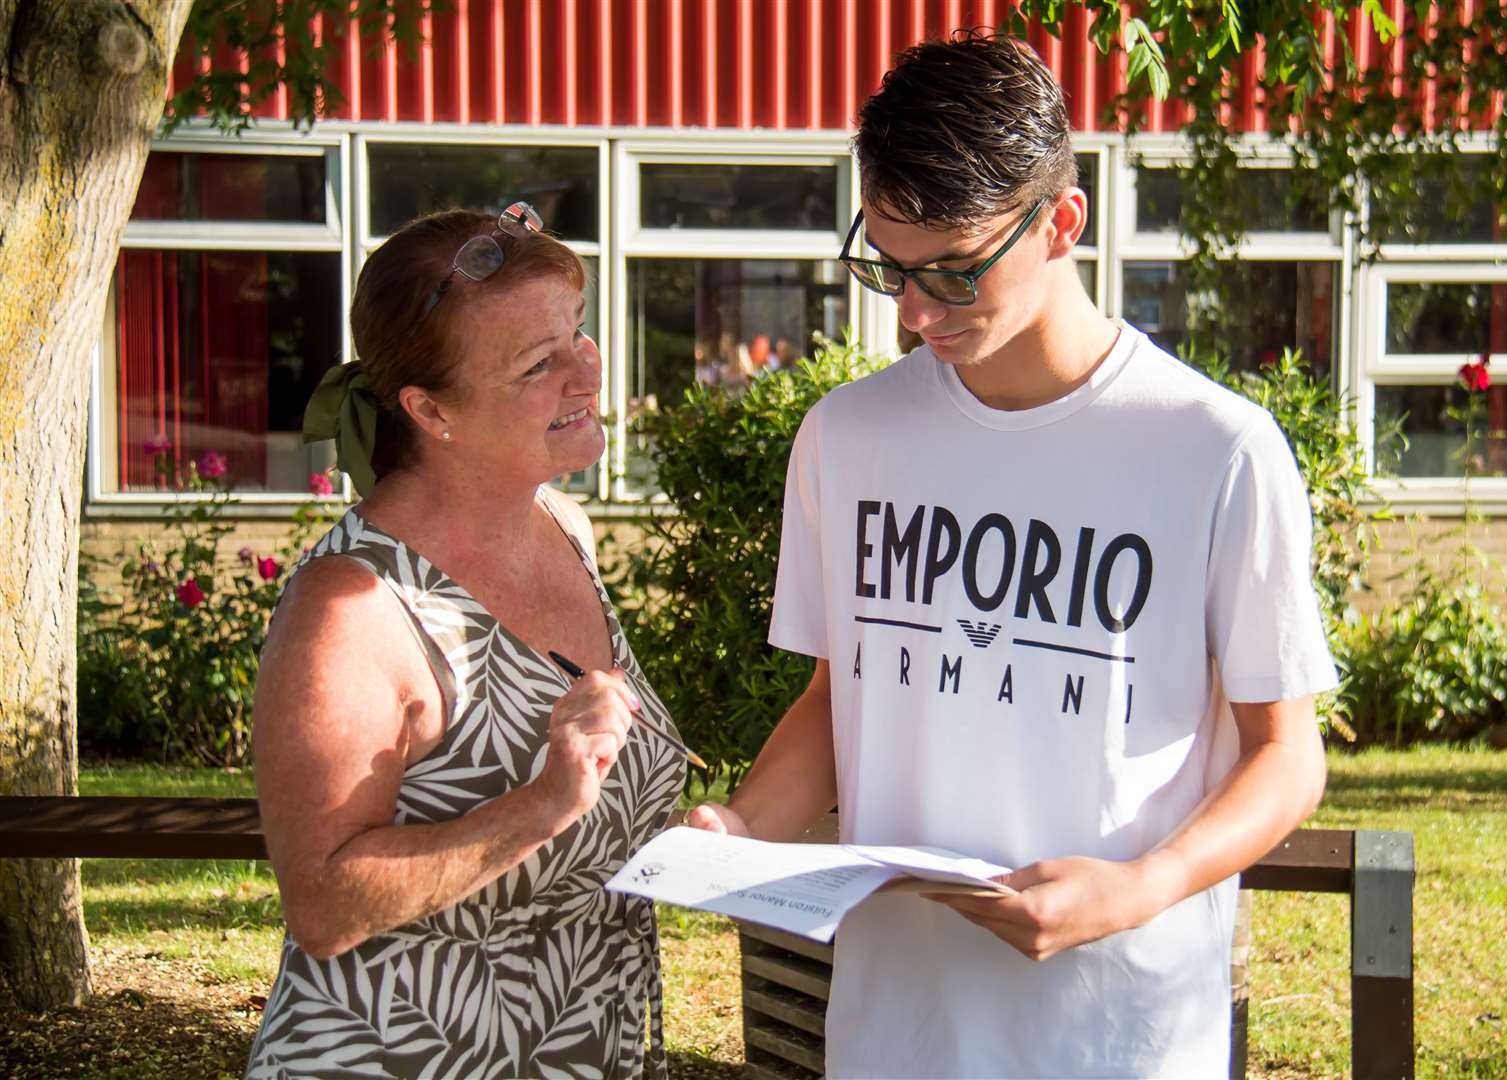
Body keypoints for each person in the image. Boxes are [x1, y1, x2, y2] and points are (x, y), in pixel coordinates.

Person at [687, 31, 1337, 1078]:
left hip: (1121, 1033)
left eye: (952, 272)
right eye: (888, 269)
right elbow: (837, 697)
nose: (912, 313)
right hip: (896, 1031)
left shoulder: (1217, 452)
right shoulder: (847, 440)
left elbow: (1288, 756)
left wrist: (1141, 885)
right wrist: (741, 822)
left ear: (1061, 223)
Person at [244, 204, 688, 1078]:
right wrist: (541, 804)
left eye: (578, 333)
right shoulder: (353, 606)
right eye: (537, 364)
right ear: (429, 410)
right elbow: (323, 906)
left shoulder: (564, 527)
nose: (586, 374)